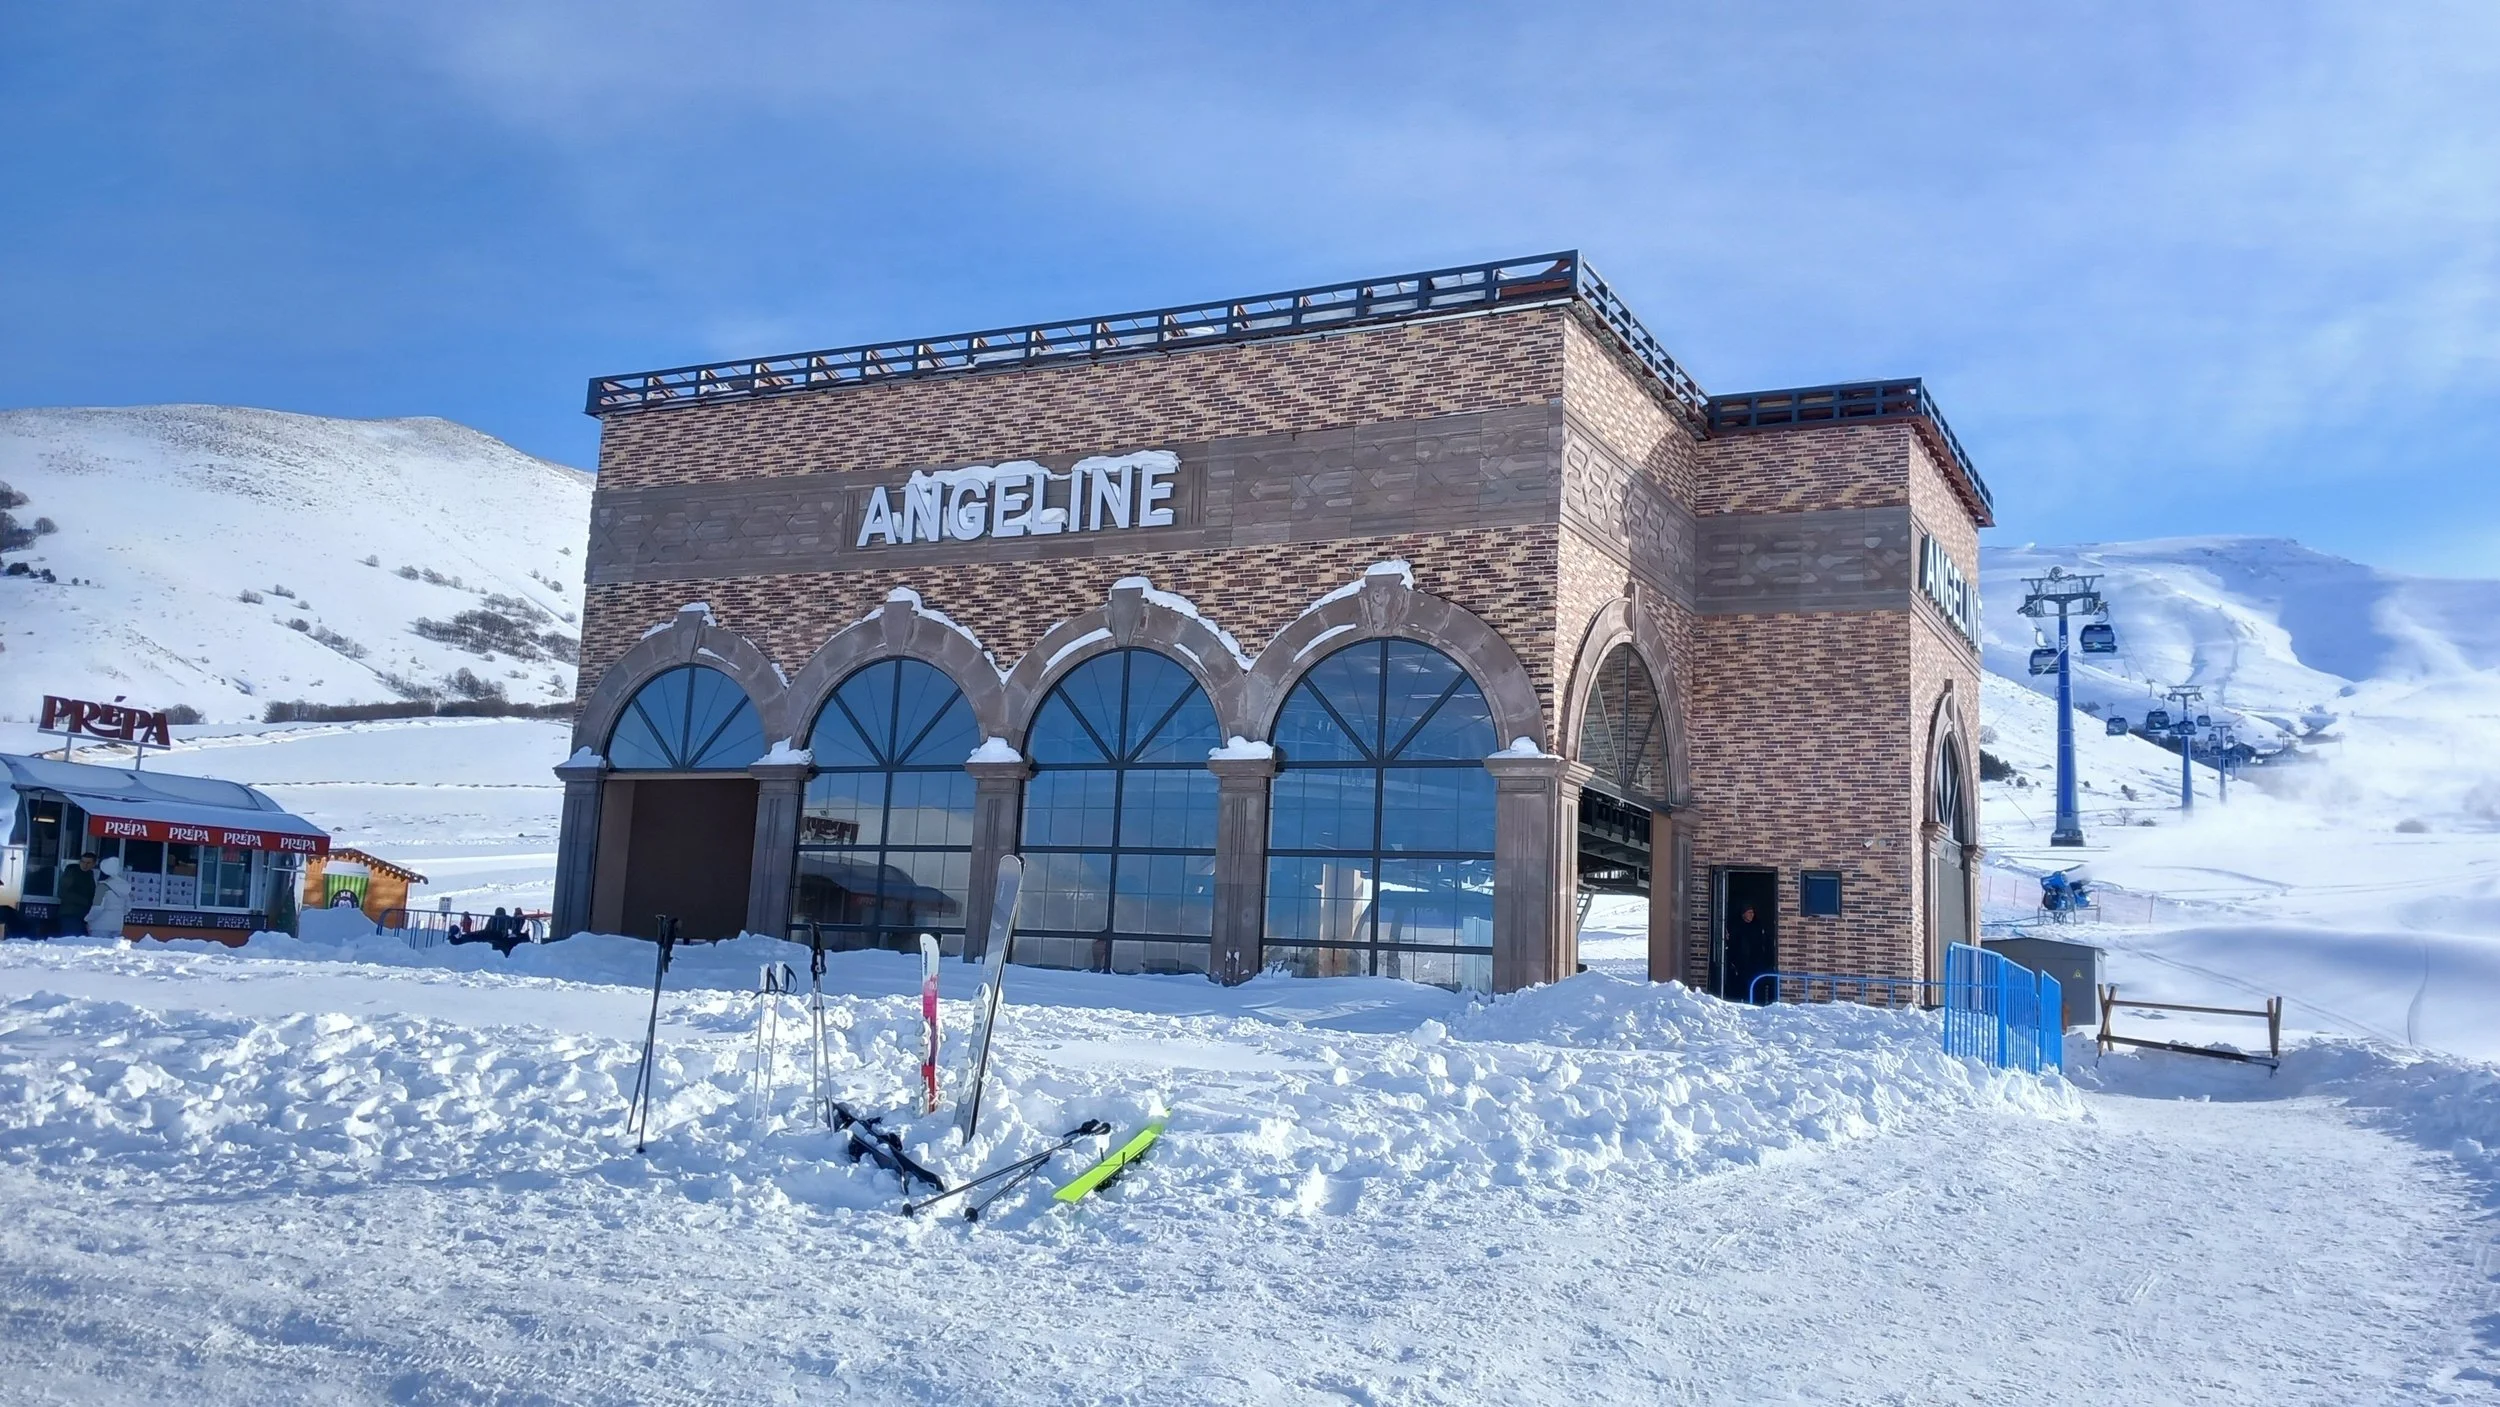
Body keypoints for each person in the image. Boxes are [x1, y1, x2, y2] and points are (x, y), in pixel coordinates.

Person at [53, 852, 99, 940]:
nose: (84, 865)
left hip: (83, 915)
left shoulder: (90, 874)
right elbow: (62, 893)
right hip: (71, 914)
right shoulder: (72, 872)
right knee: (71, 940)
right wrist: (86, 901)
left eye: (88, 863)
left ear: (94, 864)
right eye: (82, 862)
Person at [86, 857, 130, 940]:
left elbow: (97, 907)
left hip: (99, 925)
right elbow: (127, 908)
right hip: (118, 925)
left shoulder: (102, 887)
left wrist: (88, 919)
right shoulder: (124, 886)